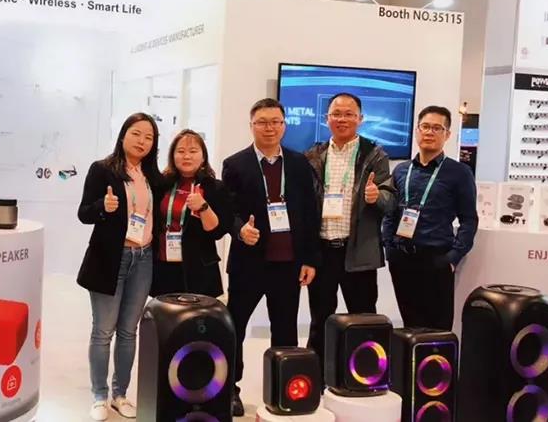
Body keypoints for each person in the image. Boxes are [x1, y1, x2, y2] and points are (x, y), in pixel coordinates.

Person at [222, 98, 320, 416]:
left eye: (275, 121)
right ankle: (230, 390)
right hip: (248, 263)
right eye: (262, 122)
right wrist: (240, 230)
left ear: (284, 125)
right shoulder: (235, 164)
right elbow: (228, 211)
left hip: (288, 264)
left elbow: (310, 213)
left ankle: (284, 389)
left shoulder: (299, 163)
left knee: (286, 331)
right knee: (235, 328)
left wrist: (310, 259)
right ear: (251, 125)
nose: (269, 128)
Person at [76, 113, 162, 421]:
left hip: (144, 258)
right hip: (110, 258)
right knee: (103, 331)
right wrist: (103, 206)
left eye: (149, 137)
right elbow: (84, 213)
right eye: (136, 133)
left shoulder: (153, 177)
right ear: (123, 135)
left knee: (128, 331)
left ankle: (120, 394)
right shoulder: (102, 170)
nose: (142, 141)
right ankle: (99, 396)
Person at [305, 93, 396, 366]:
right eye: (336, 114)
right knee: (320, 318)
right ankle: (317, 375)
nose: (342, 119)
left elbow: (390, 200)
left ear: (360, 119)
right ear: (327, 118)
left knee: (364, 318)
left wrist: (376, 197)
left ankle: (365, 373)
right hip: (323, 251)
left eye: (349, 114)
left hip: (358, 251)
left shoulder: (375, 154)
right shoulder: (313, 155)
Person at [382, 105, 478, 330]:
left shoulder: (459, 172)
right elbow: (391, 211)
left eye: (437, 128)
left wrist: (453, 257)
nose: (429, 132)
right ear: (417, 130)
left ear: (447, 134)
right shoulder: (401, 170)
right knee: (410, 326)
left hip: (436, 260)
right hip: (402, 260)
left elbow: (469, 220)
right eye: (425, 126)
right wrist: (389, 247)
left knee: (437, 330)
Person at [151, 129, 233, 298]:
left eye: (193, 151)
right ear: (173, 156)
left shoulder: (215, 187)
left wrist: (203, 207)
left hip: (199, 269)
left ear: (203, 157)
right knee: (164, 313)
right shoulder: (162, 184)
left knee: (195, 315)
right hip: (163, 265)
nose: (186, 156)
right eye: (181, 151)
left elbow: (217, 232)